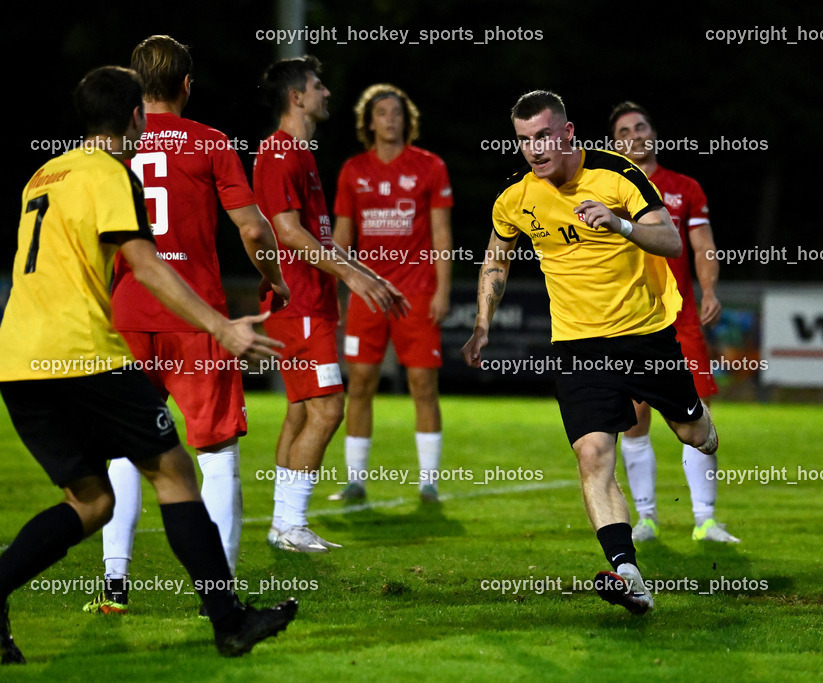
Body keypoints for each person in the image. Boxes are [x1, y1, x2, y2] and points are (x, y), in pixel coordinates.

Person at [0, 66, 296, 664]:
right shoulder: (112, 173)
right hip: (81, 353)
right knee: (174, 473)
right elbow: (147, 263)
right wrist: (220, 325)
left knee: (91, 500)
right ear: (135, 114)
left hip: (17, 357)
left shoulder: (43, 173)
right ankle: (230, 620)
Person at [462, 90, 719, 615]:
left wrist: (620, 223)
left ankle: (698, 417)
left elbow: (670, 240)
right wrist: (482, 322)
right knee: (593, 455)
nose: (534, 150)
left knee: (697, 436)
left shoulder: (617, 174)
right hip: (579, 346)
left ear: (568, 131)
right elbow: (496, 258)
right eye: (523, 140)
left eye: (542, 136)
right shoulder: (515, 197)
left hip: (646, 335)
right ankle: (627, 572)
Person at [83, 35, 291, 616]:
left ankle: (115, 585)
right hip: (197, 317)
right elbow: (251, 230)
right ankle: (218, 596)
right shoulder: (211, 142)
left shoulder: (110, 147)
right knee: (217, 454)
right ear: (186, 84)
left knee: (127, 451)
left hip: (126, 311)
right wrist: (273, 275)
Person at [254, 57, 408, 553]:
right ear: (296, 97)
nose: (326, 92)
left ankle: (282, 525)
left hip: (310, 304)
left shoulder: (301, 155)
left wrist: (367, 276)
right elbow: (288, 232)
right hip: (299, 306)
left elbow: (320, 236)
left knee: (301, 413)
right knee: (328, 409)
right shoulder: (280, 154)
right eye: (318, 86)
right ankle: (293, 523)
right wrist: (349, 277)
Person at [608, 102, 739, 545]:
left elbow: (703, 246)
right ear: (614, 143)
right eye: (625, 130)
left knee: (696, 411)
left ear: (654, 133)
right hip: (627, 320)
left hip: (679, 319)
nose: (635, 135)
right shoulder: (606, 190)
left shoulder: (684, 188)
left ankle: (705, 520)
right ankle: (646, 519)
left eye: (642, 126)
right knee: (634, 420)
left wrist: (711, 290)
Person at [329, 83, 454, 504]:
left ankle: (429, 483)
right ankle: (355, 481)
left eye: (397, 112)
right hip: (368, 295)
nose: (390, 119)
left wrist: (442, 290)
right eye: (381, 112)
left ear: (407, 119)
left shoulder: (430, 166)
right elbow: (341, 240)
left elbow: (441, 235)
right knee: (360, 382)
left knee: (423, 384)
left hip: (417, 293)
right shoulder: (353, 171)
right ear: (369, 121)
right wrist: (343, 288)